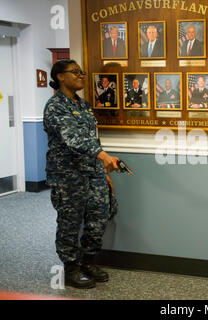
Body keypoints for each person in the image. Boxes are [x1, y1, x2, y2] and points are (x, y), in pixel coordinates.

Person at [44, 59, 120, 289]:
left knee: (98, 218)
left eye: (81, 72)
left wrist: (102, 171)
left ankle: (87, 261)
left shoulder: (84, 106)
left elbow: (92, 138)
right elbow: (73, 139)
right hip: (68, 176)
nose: (80, 76)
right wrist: (103, 156)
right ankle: (70, 268)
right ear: (60, 76)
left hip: (92, 172)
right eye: (74, 72)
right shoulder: (55, 106)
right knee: (70, 222)